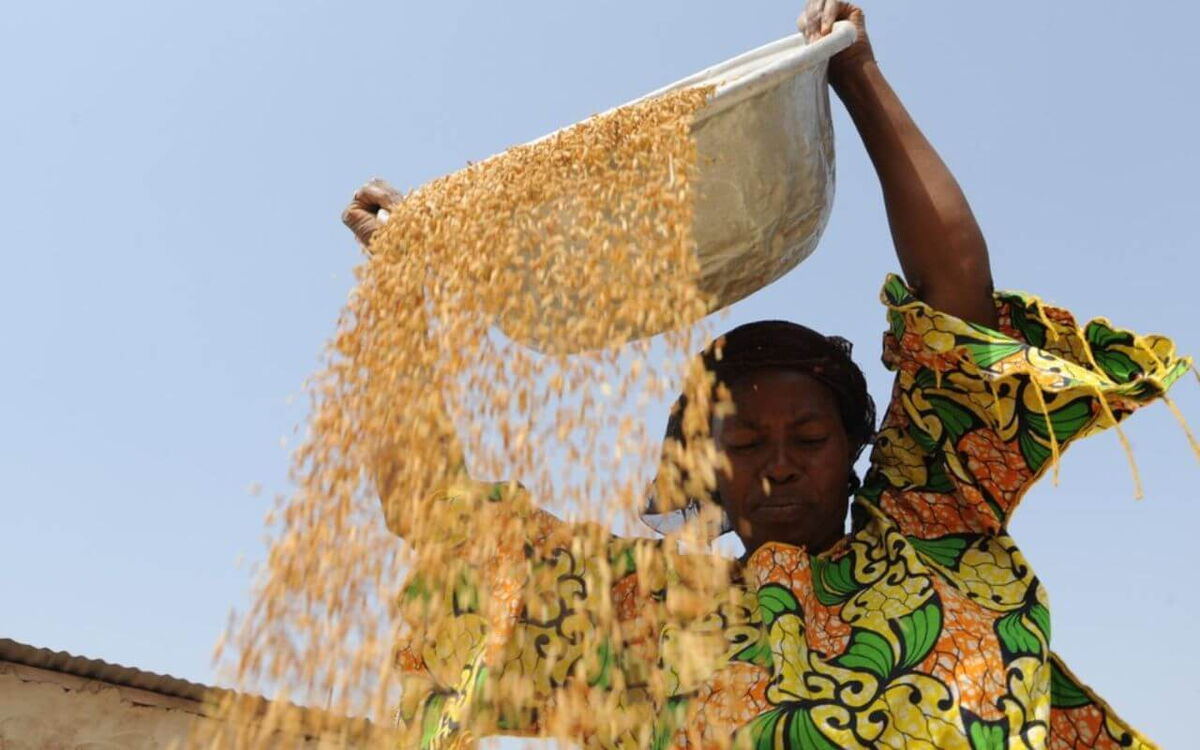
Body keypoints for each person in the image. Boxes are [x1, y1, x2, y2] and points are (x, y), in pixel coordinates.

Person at [343, 3, 1188, 748]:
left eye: (809, 437)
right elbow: (431, 507)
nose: (779, 462)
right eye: (745, 442)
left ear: (860, 443)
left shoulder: (931, 530)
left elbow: (957, 302)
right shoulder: (644, 617)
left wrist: (855, 73)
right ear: (705, 470)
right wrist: (402, 295)